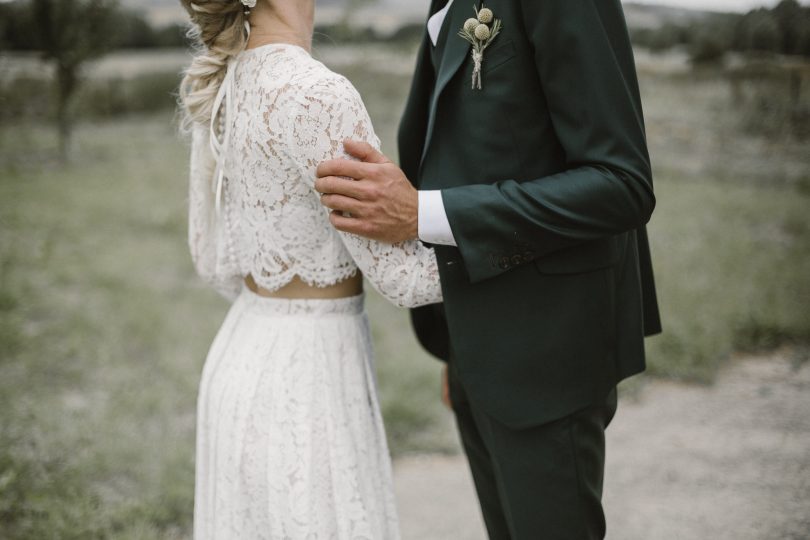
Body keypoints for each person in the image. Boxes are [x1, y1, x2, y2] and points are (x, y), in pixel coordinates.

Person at [315, 0, 663, 538]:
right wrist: (461, 347)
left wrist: (421, 214)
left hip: (548, 349)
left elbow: (622, 184)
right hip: (476, 344)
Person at [178, 0, 442, 538]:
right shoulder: (318, 95)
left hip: (240, 358)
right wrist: (529, 232)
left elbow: (210, 256)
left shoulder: (224, 83)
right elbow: (407, 279)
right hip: (309, 378)